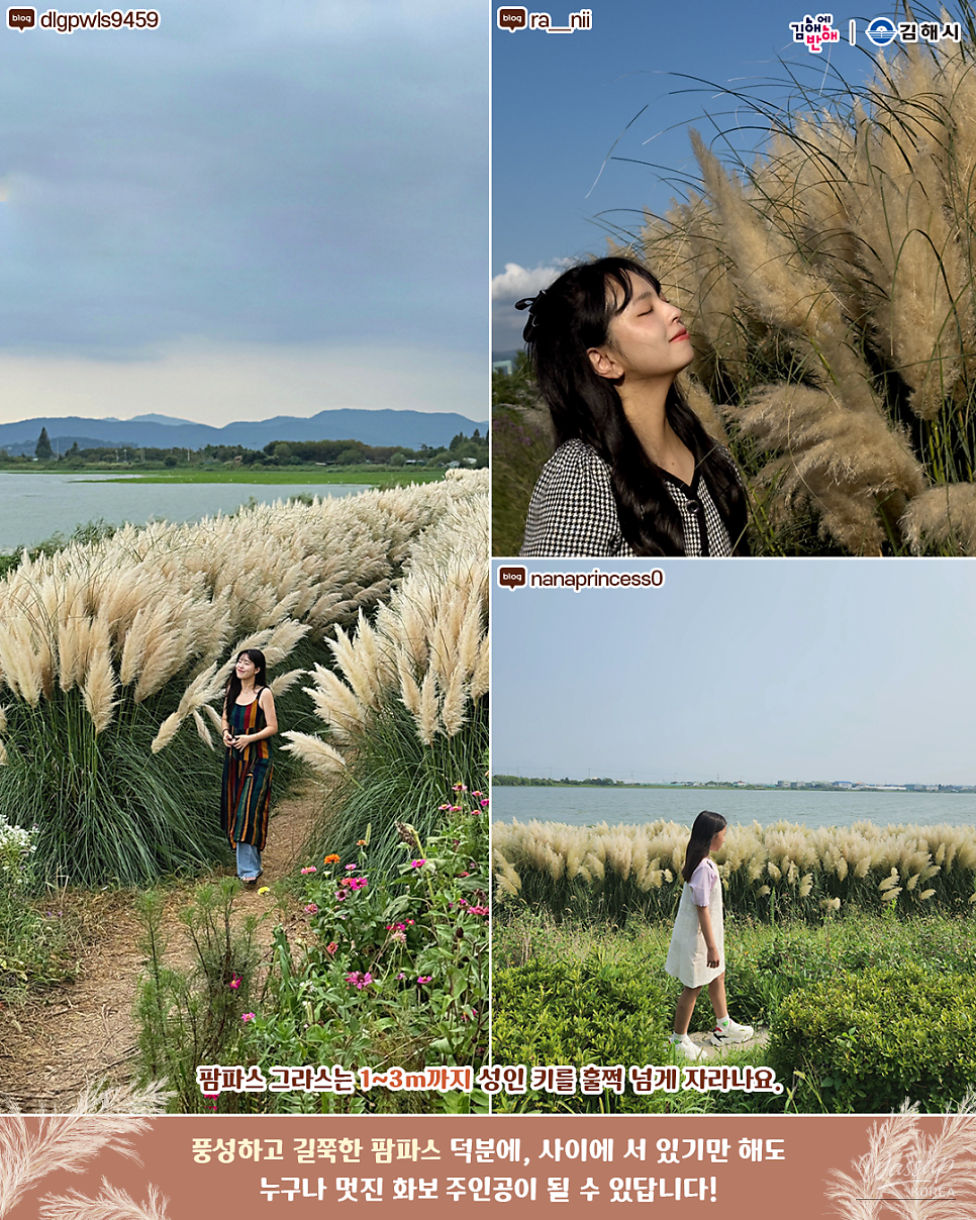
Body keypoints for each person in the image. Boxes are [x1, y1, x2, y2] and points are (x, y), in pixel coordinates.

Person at [516, 257, 749, 556]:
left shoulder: (714, 459)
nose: (674, 312)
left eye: (664, 300)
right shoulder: (584, 476)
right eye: (647, 311)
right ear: (604, 361)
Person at [664, 810, 753, 1060]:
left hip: (703, 934)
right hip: (700, 937)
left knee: (717, 974)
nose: (725, 839)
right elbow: (702, 907)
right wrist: (712, 947)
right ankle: (678, 1041)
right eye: (723, 834)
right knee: (692, 986)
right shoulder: (704, 868)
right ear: (712, 837)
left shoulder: (699, 862)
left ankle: (723, 1026)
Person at [220, 648, 277, 884]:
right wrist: (225, 732)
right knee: (236, 809)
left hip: (258, 760)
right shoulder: (231, 691)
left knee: (248, 810)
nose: (241, 666)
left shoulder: (263, 694)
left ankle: (248, 872)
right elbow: (224, 717)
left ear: (258, 669)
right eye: (239, 662)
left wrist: (248, 739)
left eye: (246, 663)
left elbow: (273, 727)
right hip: (234, 761)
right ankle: (252, 864)